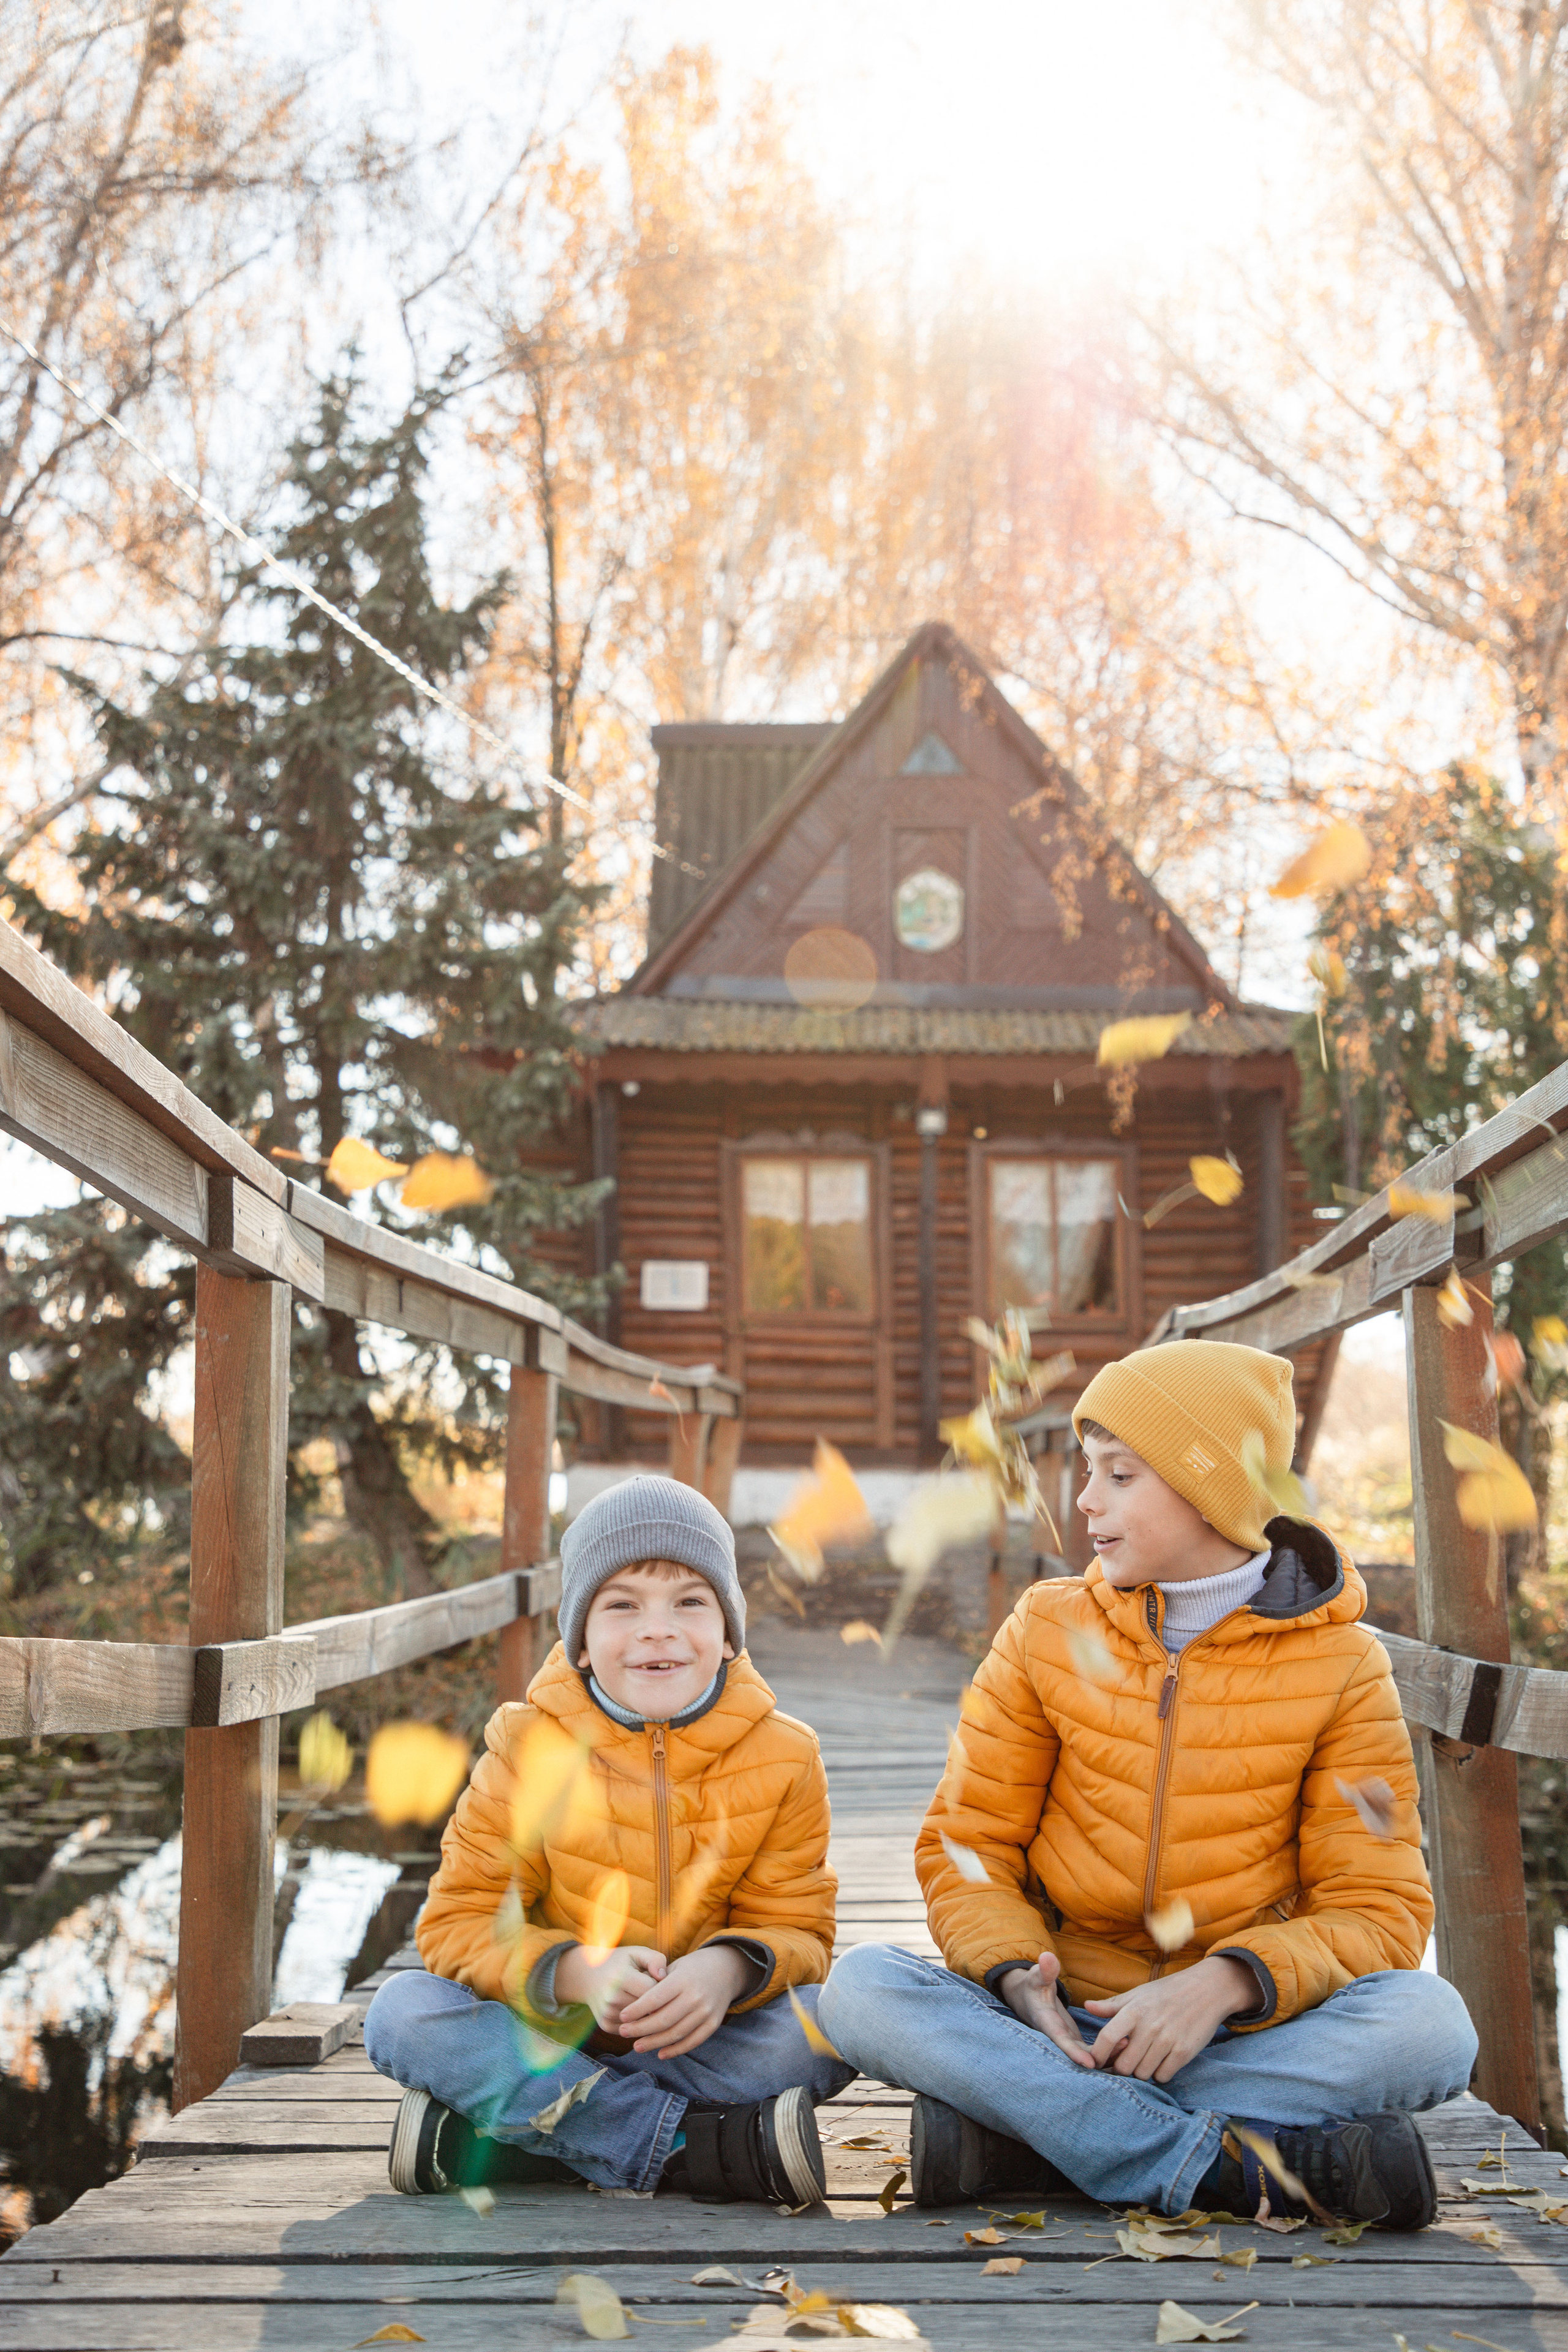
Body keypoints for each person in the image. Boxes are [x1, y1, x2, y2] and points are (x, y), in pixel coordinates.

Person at [818, 1340, 1477, 2230]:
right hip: (1062, 2027)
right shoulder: (1047, 1629)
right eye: (1089, 1471)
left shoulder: (1343, 1664)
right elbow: (967, 1843)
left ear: (1210, 1490)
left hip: (1237, 2033)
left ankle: (1032, 2139)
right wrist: (1017, 1977)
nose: (1085, 1500)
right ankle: (1220, 2165)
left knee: (1432, 2025)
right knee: (862, 1987)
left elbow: (1380, 1906)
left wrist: (1225, 1984)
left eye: (1120, 1475)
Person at [364, 1473, 852, 2206]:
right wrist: (576, 1973)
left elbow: (801, 1931)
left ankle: (528, 2140)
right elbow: (458, 1923)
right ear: (582, 1644)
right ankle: (693, 2146)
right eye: (622, 1606)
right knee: (402, 2014)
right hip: (552, 2039)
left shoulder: (785, 1756)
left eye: (689, 1602)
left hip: (702, 2040)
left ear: (727, 1636)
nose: (657, 1628)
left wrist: (725, 1972)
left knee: (838, 2022)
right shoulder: (525, 1748)